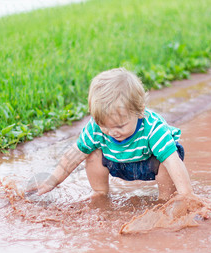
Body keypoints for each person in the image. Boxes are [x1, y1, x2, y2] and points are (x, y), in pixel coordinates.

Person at [30, 67, 199, 203]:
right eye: (105, 126)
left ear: (139, 111)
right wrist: (53, 180)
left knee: (168, 159)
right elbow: (74, 154)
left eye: (119, 126)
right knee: (91, 152)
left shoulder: (153, 128)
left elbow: (172, 161)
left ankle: (166, 198)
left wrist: (187, 194)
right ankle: (99, 193)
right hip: (116, 162)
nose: (112, 132)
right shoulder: (96, 127)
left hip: (149, 162)